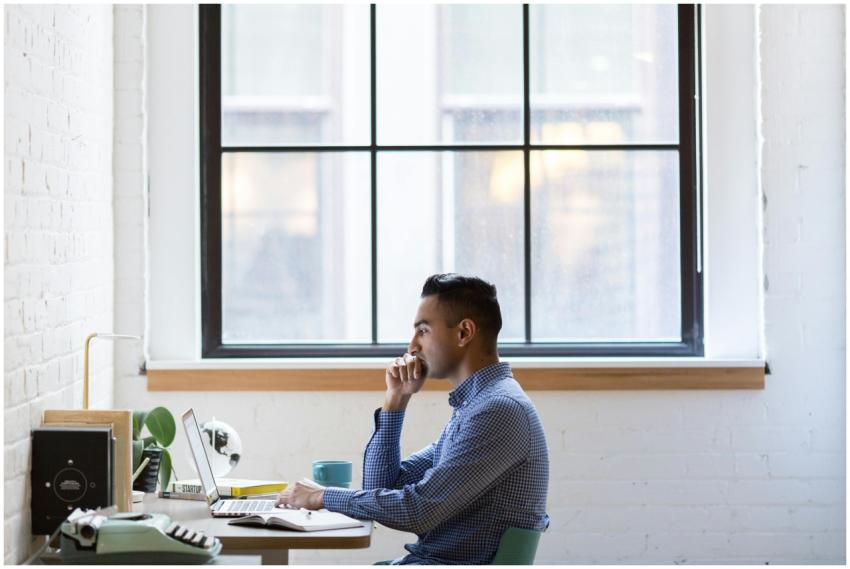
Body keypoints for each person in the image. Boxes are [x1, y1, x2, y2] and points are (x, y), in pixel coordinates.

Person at [276, 273, 550, 564]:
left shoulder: (497, 411)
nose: (412, 347)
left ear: (464, 333)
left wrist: (321, 496)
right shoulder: (475, 407)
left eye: (423, 330)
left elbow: (419, 510)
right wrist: (396, 400)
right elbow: (380, 488)